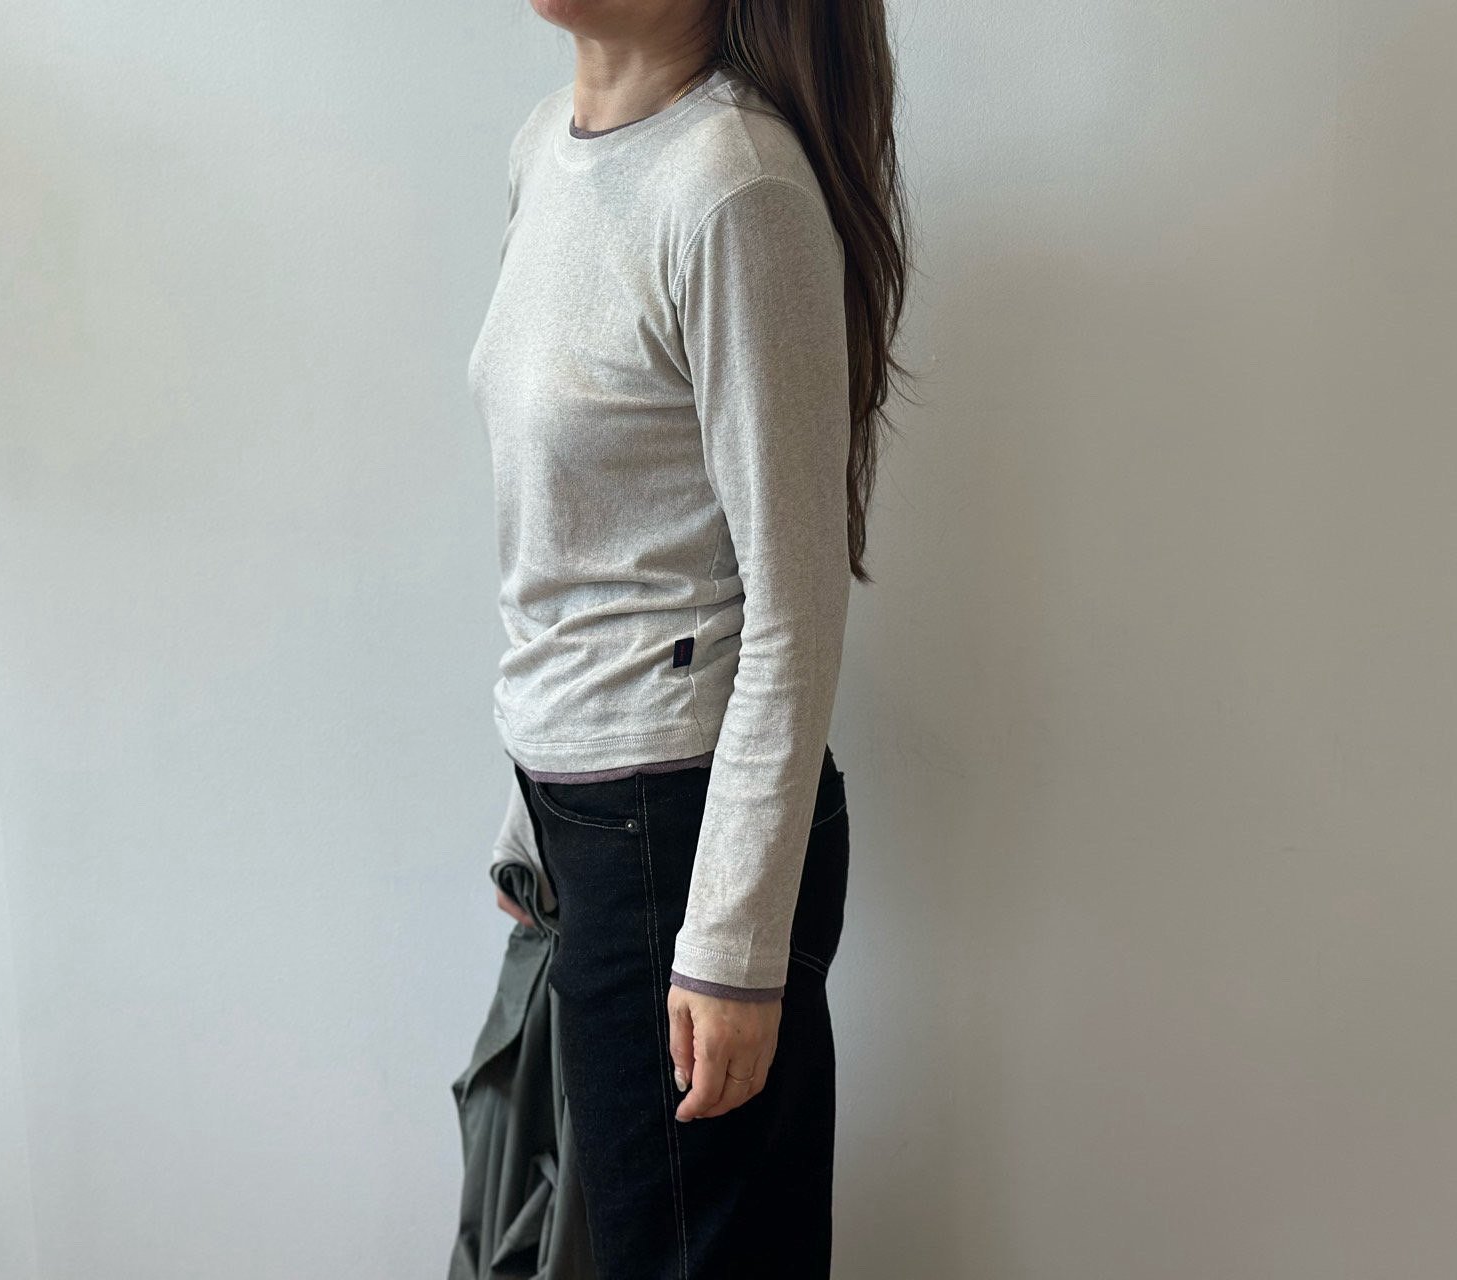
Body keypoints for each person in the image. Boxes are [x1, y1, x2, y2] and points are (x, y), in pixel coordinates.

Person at [467, 2, 911, 1275]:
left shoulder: (734, 188)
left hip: (679, 830)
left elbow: (795, 603)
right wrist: (530, 821)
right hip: (585, 826)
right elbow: (576, 535)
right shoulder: (541, 147)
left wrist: (729, 944)